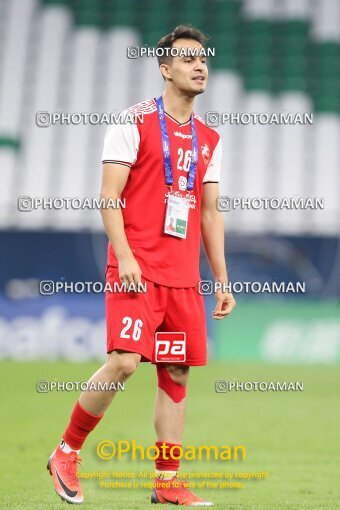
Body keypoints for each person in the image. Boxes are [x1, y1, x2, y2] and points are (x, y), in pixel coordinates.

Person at [47, 24, 236, 506]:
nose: (200, 66)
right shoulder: (132, 122)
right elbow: (108, 197)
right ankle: (66, 451)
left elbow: (211, 213)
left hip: (182, 280)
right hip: (136, 270)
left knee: (175, 373)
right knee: (126, 362)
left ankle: (167, 484)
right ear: (165, 68)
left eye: (204, 59)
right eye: (189, 59)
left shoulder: (209, 138)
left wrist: (220, 279)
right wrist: (126, 257)